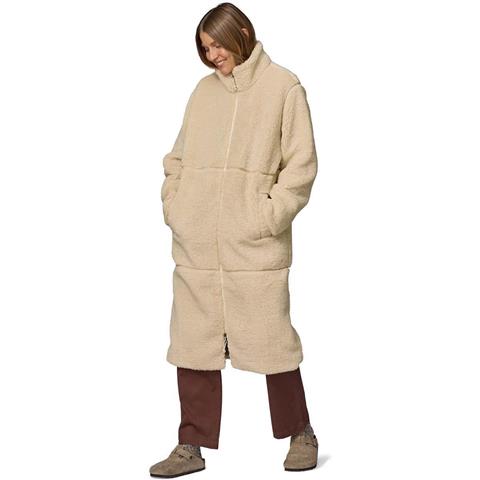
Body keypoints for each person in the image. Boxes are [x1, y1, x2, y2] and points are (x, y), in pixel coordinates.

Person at [149, 3, 318, 477]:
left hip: (255, 245)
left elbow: (301, 166)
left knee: (273, 343)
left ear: (242, 32)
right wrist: (177, 207)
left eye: (218, 44)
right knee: (193, 345)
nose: (213, 55)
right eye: (205, 49)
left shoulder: (284, 87)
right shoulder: (202, 93)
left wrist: (266, 215)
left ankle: (301, 432)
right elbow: (177, 158)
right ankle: (190, 445)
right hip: (198, 245)